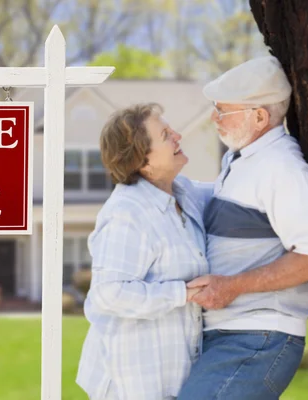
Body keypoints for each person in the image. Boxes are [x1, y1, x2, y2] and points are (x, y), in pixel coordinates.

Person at [177, 55, 308, 400]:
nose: (213, 118)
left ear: (260, 117)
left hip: (259, 336)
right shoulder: (239, 160)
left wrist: (233, 286)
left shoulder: (283, 171)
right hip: (229, 333)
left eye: (223, 111)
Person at [76, 103, 210, 400]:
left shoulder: (184, 193)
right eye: (165, 134)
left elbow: (233, 191)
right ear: (143, 162)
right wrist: (183, 293)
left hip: (173, 377)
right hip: (132, 382)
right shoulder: (128, 212)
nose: (177, 135)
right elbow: (110, 293)